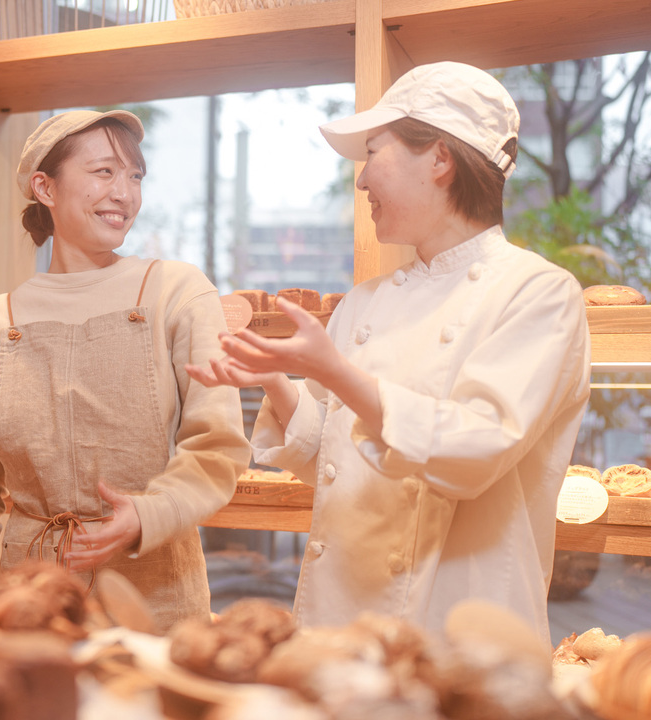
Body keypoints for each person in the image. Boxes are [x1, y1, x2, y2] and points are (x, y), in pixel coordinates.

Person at [189, 61, 591, 646]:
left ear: (440, 159)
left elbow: (476, 449)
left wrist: (333, 371)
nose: (360, 181)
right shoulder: (366, 300)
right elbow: (330, 460)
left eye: (373, 152)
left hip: (455, 631)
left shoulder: (539, 292)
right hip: (338, 624)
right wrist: (275, 378)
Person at [0, 110, 253, 631]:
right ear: (46, 188)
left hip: (157, 587)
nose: (124, 193)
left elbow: (217, 446)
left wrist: (148, 514)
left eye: (135, 176)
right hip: (27, 590)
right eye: (104, 172)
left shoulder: (176, 290)